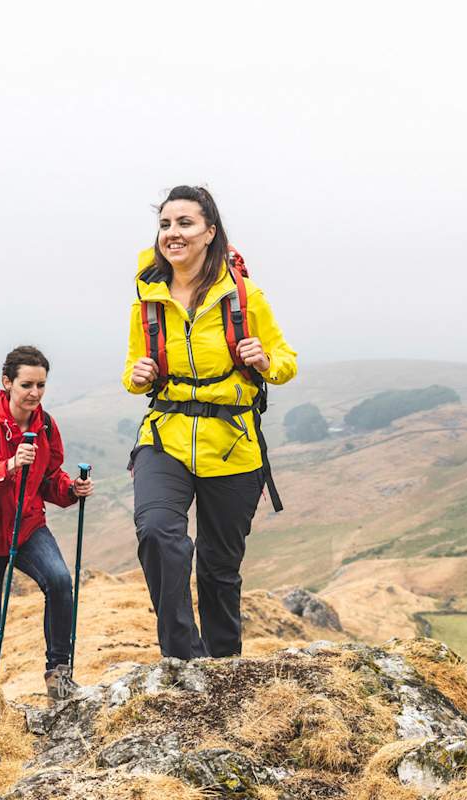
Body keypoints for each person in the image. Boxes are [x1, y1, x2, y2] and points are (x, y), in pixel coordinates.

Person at [123, 185, 297, 660]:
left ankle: (224, 668)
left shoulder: (244, 296)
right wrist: (138, 376)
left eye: (184, 224)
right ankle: (184, 659)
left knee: (220, 568)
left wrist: (264, 361)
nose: (173, 234)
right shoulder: (148, 298)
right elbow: (134, 369)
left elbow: (285, 360)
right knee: (158, 532)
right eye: (165, 225)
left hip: (233, 442)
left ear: (209, 232)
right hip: (165, 435)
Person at [0, 345, 94, 698]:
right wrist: (12, 464)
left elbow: (49, 478)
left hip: (26, 526)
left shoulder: (46, 424)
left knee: (61, 582)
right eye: (27, 385)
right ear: (7, 383)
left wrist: (71, 488)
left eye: (41, 385)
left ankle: (59, 678)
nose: (35, 393)